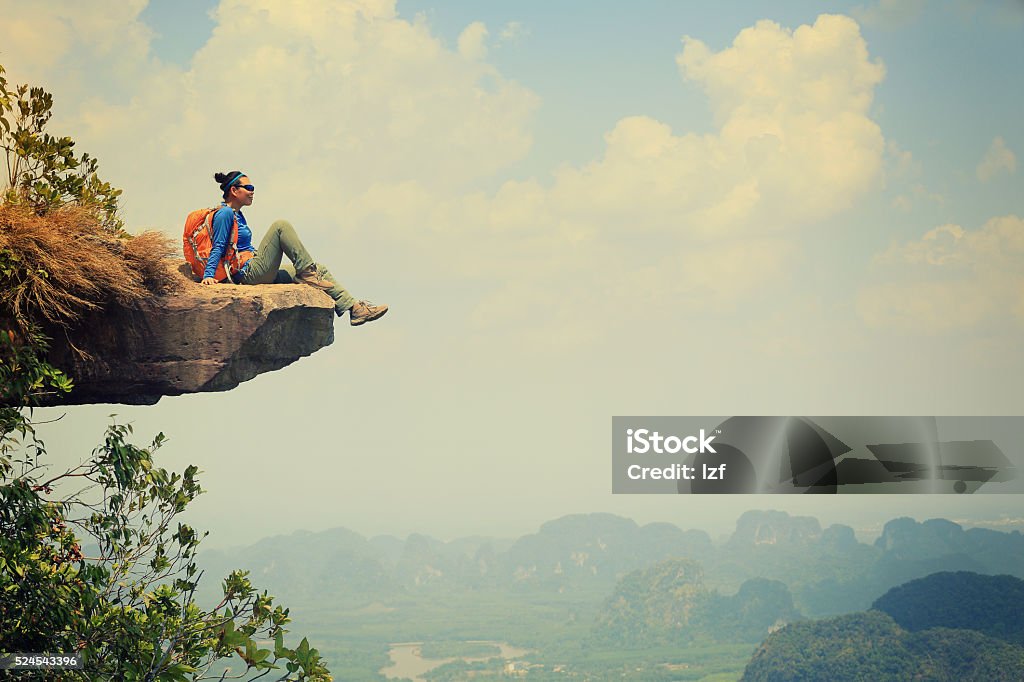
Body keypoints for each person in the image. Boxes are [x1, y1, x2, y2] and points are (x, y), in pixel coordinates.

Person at [202, 171, 388, 326]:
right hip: (247, 274)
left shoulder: (238, 215)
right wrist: (208, 275)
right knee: (280, 226)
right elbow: (218, 245)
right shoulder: (225, 213)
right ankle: (307, 273)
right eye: (249, 188)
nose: (252, 192)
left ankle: (355, 309)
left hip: (256, 267)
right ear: (234, 190)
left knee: (320, 270)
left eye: (253, 189)